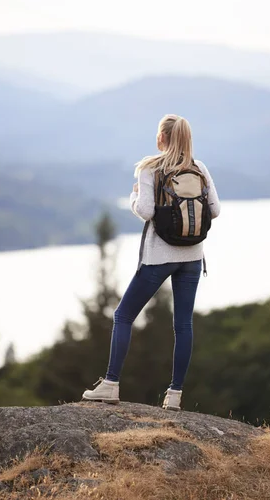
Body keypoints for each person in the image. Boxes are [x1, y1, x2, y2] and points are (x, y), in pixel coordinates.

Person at [82, 114, 220, 410]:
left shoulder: (150, 168)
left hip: (159, 257)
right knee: (183, 325)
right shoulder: (199, 168)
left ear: (161, 138)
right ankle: (175, 395)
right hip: (193, 257)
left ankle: (111, 384)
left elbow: (145, 211)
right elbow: (216, 210)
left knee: (123, 316)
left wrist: (133, 198)